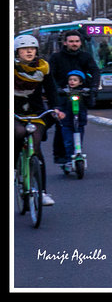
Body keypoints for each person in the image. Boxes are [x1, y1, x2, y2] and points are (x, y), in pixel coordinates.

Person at [14, 34, 64, 207]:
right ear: (17, 51)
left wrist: (56, 107)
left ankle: (42, 193)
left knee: (35, 145)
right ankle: (13, 170)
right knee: (18, 133)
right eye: (24, 48)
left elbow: (51, 90)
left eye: (32, 48)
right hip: (14, 111)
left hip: (36, 112)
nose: (29, 51)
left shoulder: (43, 67)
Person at [47, 29, 99, 169]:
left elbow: (94, 71)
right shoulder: (56, 57)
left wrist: (93, 88)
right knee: (61, 126)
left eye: (77, 41)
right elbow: (50, 75)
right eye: (71, 41)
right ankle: (61, 156)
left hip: (81, 95)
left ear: (80, 42)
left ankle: (77, 151)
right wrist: (56, 89)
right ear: (65, 43)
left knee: (80, 124)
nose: (74, 44)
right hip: (62, 95)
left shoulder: (86, 57)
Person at [54, 70, 91, 174]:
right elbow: (59, 104)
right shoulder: (64, 93)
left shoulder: (84, 93)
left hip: (80, 122)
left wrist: (90, 93)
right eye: (70, 79)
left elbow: (91, 103)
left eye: (75, 80)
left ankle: (78, 154)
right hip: (67, 122)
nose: (72, 82)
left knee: (78, 142)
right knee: (68, 142)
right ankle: (69, 160)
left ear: (80, 82)